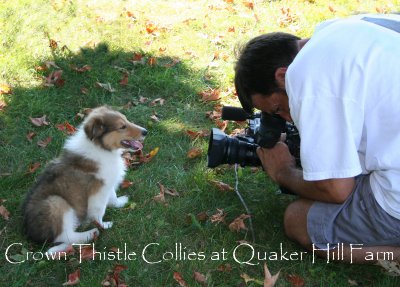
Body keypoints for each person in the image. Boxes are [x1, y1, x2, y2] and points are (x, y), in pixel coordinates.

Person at [234, 14, 400, 263]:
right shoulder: (342, 28)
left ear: (282, 76)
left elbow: (336, 189)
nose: (289, 119)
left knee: (298, 220)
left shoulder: (304, 75)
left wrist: (283, 171)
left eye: (278, 109)